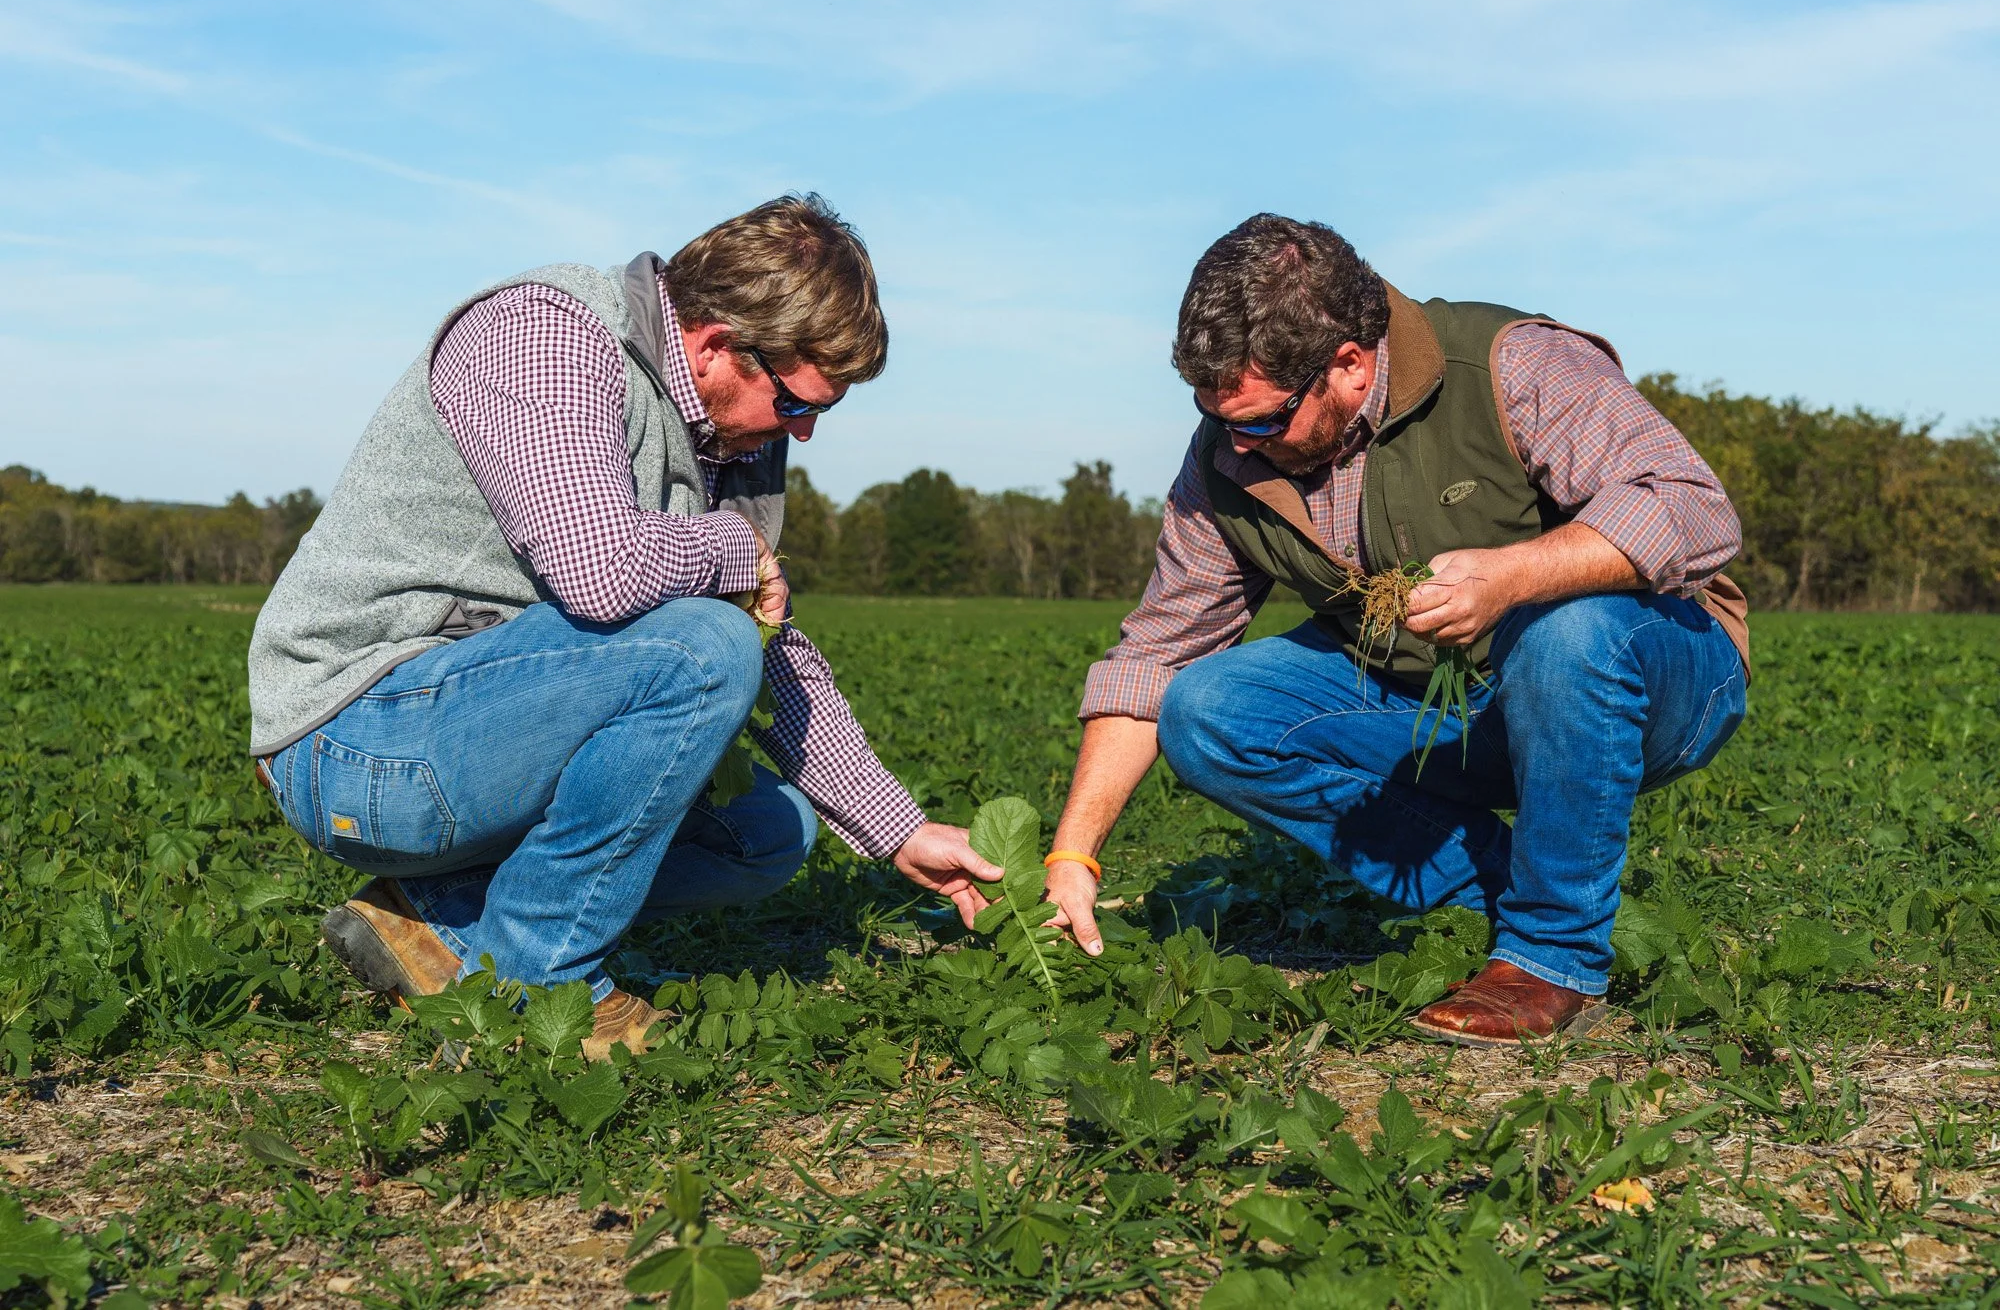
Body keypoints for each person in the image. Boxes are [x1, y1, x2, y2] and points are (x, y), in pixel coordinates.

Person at [247, 194, 1000, 1060]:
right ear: (719, 343)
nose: (807, 432)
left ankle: (442, 918)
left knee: (768, 829)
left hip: (480, 730)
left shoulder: (732, 433)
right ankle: (539, 984)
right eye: (798, 404)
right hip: (357, 737)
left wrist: (898, 828)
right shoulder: (543, 335)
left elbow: (764, 631)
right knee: (701, 646)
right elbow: (605, 571)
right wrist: (732, 549)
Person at [1042, 214, 1749, 1046]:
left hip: (1650, 673)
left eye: (1264, 422)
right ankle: (1501, 891)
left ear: (1347, 363)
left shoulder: (1506, 362)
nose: (1239, 443)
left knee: (1569, 635)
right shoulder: (1226, 455)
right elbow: (1159, 652)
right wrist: (1072, 856)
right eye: (1216, 415)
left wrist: (1513, 574)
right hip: (1433, 702)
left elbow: (1691, 504)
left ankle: (1552, 955)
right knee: (1204, 709)